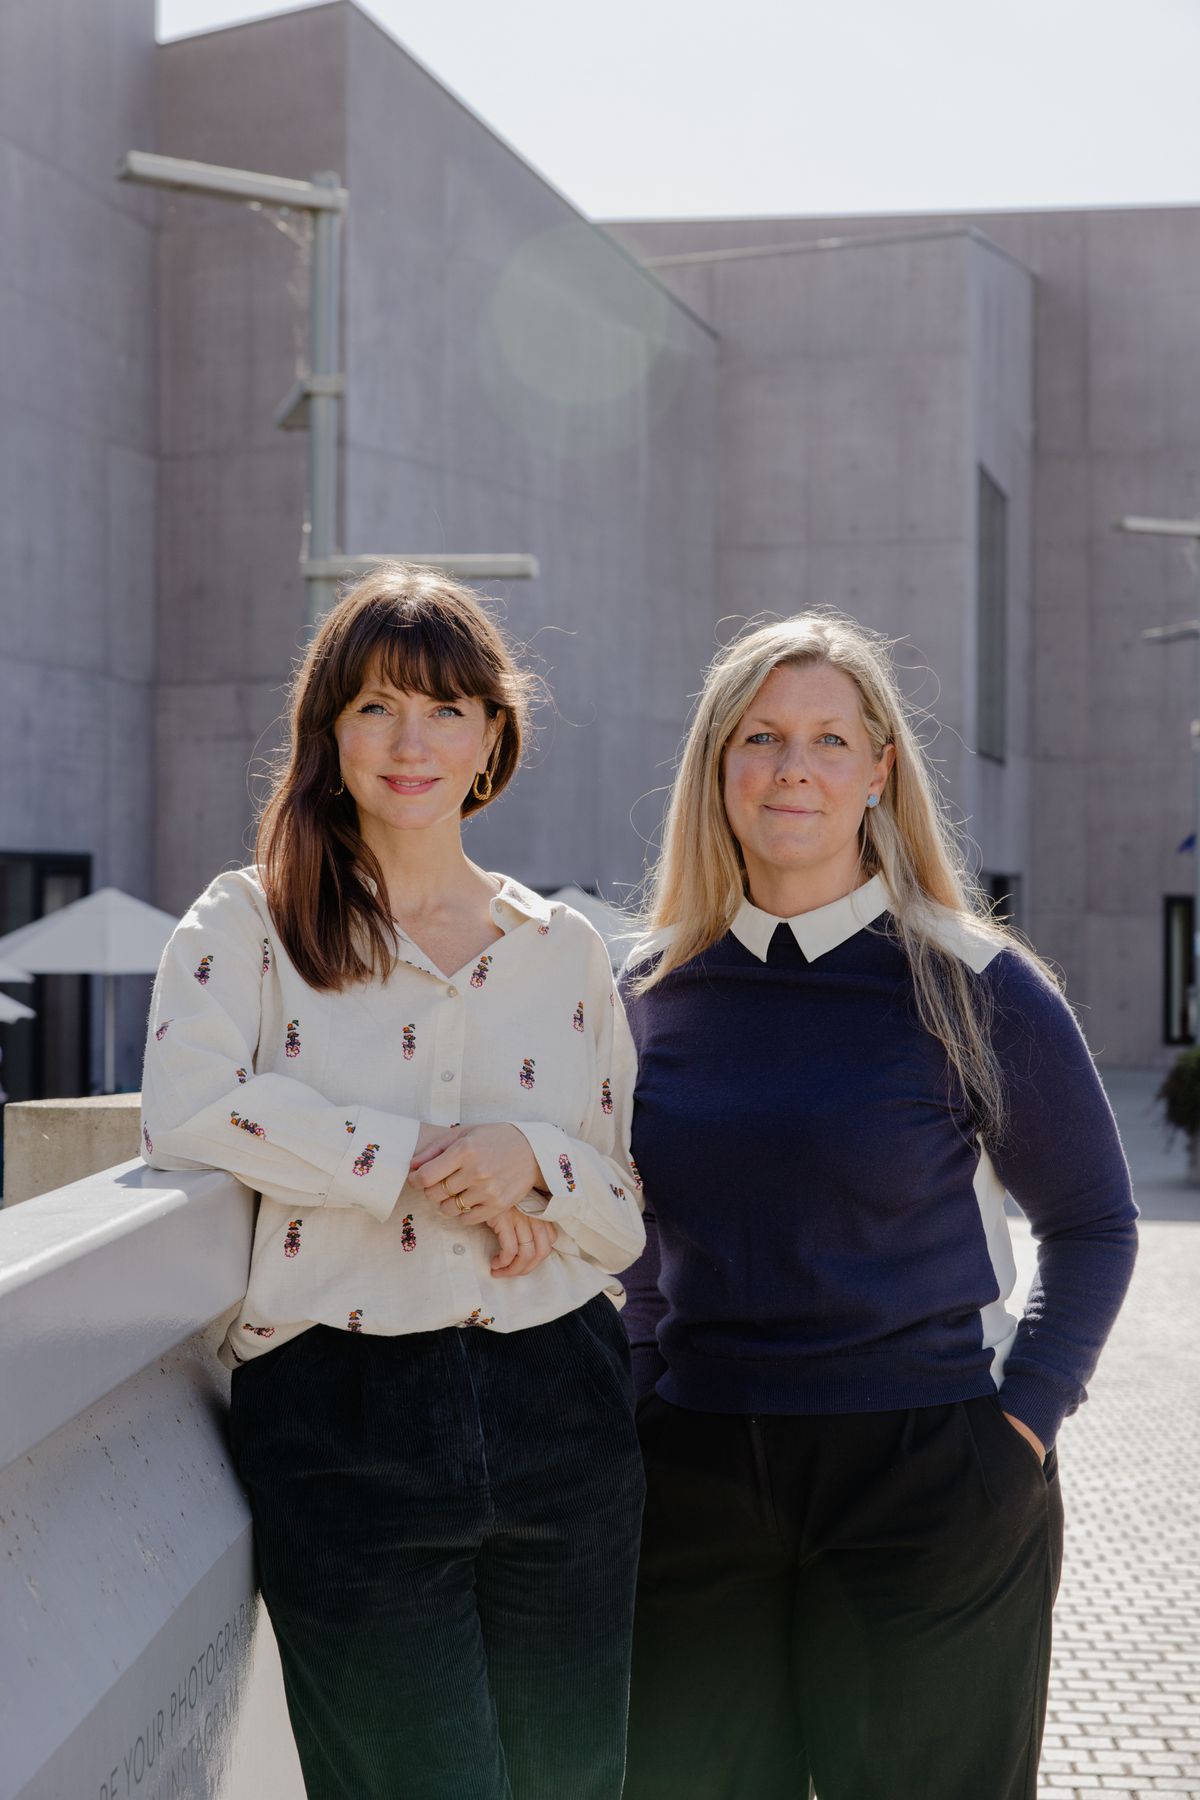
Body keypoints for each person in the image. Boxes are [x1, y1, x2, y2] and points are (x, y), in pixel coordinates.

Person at [140, 564, 646, 1800]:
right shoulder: (248, 924)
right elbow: (188, 1109)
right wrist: (409, 1166)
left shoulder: (565, 947)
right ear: (328, 734)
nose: (410, 742)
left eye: (445, 709)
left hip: (564, 1403)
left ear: (493, 737)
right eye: (373, 708)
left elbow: (622, 1216)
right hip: (341, 1415)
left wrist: (535, 1164)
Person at [618, 611, 1137, 1800]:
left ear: (878, 771)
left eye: (827, 740)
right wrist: (647, 1395)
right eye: (759, 738)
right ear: (717, 768)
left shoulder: (975, 982)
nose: (792, 768)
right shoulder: (640, 995)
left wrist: (1021, 1429)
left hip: (932, 1479)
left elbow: (1095, 1223)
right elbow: (636, 1241)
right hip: (696, 1480)